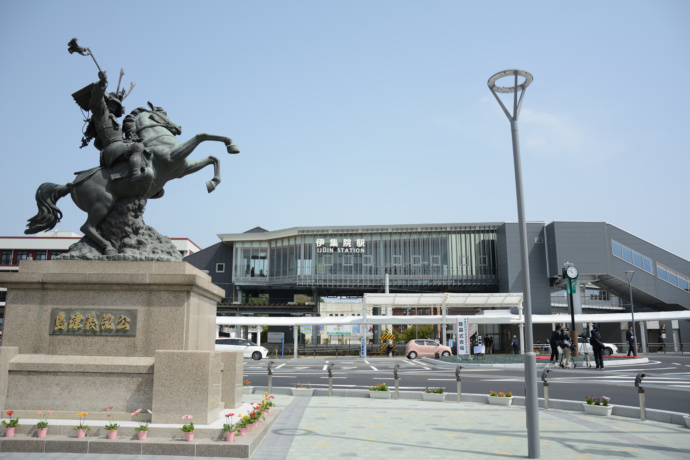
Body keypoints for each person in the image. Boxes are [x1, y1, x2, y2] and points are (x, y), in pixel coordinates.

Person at [77, 70, 148, 182]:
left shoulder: (110, 117)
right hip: (112, 148)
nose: (115, 107)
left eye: (117, 106)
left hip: (116, 146)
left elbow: (97, 143)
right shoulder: (101, 113)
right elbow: (96, 100)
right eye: (114, 104)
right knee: (137, 146)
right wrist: (102, 82)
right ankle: (135, 174)